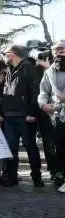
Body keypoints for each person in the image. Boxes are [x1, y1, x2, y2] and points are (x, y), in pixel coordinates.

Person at [0, 45, 43, 187]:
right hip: (9, 117)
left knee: (30, 147)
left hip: (25, 116)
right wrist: (0, 113)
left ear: (13, 54)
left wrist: (31, 113)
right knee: (11, 148)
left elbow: (35, 92)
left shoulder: (29, 68)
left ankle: (37, 177)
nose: (4, 56)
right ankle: (11, 177)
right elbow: (3, 94)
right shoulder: (8, 71)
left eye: (5, 54)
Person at [38, 40, 65, 191]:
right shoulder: (49, 72)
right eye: (55, 52)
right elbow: (43, 91)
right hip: (58, 115)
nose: (58, 55)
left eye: (61, 52)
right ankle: (60, 174)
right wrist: (43, 104)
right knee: (59, 146)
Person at [35, 51, 56, 179]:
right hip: (44, 114)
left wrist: (49, 69)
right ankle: (54, 170)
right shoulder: (35, 73)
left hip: (59, 113)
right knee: (48, 144)